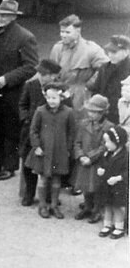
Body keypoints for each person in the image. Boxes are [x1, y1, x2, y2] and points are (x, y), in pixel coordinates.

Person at [0, 0, 38, 181]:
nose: (0, 18)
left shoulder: (25, 37)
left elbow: (31, 66)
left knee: (11, 127)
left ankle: (9, 166)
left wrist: (8, 78)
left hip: (12, 92)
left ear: (14, 17)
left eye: (5, 15)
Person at [18, 59, 64, 207]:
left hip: (52, 133)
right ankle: (29, 194)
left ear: (54, 76)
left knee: (51, 164)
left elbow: (67, 107)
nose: (41, 76)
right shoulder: (31, 85)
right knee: (28, 164)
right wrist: (26, 118)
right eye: (40, 73)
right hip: (31, 131)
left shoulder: (60, 89)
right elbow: (22, 104)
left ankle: (50, 196)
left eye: (45, 74)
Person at [28, 81, 77, 219]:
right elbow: (33, 130)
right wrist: (36, 146)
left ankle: (54, 205)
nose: (51, 101)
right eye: (48, 98)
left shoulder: (68, 112)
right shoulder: (40, 111)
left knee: (57, 180)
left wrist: (68, 148)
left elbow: (72, 132)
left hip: (60, 152)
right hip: (43, 151)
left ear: (61, 98)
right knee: (43, 179)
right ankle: (42, 205)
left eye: (54, 98)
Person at [48, 14, 107, 115]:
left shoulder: (91, 49)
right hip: (59, 93)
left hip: (80, 96)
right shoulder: (57, 48)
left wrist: (89, 85)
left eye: (67, 32)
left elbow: (105, 68)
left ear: (78, 31)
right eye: (62, 32)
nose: (63, 35)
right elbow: (50, 71)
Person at [73, 95, 115, 223]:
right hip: (84, 161)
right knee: (86, 186)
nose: (90, 114)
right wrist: (80, 155)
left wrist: (90, 158)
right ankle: (87, 206)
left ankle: (96, 210)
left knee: (97, 187)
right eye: (89, 111)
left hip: (98, 162)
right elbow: (77, 142)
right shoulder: (83, 124)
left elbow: (104, 147)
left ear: (102, 112)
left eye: (94, 112)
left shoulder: (108, 126)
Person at [87, 35, 130, 125]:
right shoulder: (104, 68)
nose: (110, 55)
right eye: (108, 52)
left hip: (123, 117)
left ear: (126, 51)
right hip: (103, 116)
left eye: (114, 52)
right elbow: (96, 89)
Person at [95, 126, 129, 239]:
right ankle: (107, 224)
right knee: (107, 205)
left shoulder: (125, 156)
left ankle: (119, 227)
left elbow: (127, 172)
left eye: (108, 142)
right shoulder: (107, 154)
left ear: (117, 142)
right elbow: (103, 164)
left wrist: (118, 178)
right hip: (107, 185)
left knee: (117, 206)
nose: (106, 145)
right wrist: (101, 170)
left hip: (118, 186)